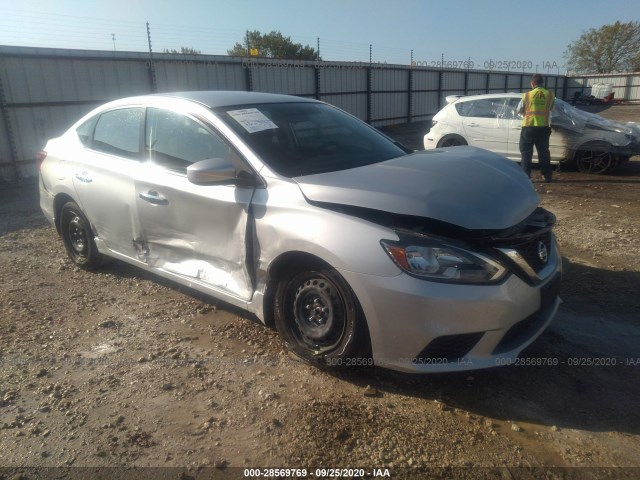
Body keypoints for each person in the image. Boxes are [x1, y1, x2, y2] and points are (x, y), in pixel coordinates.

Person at [517, 74, 555, 182]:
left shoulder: (527, 95)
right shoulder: (550, 95)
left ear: (532, 83)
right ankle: (547, 176)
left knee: (526, 153)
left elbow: (519, 109)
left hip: (529, 127)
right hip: (543, 128)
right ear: (542, 83)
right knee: (544, 153)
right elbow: (551, 108)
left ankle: (526, 177)